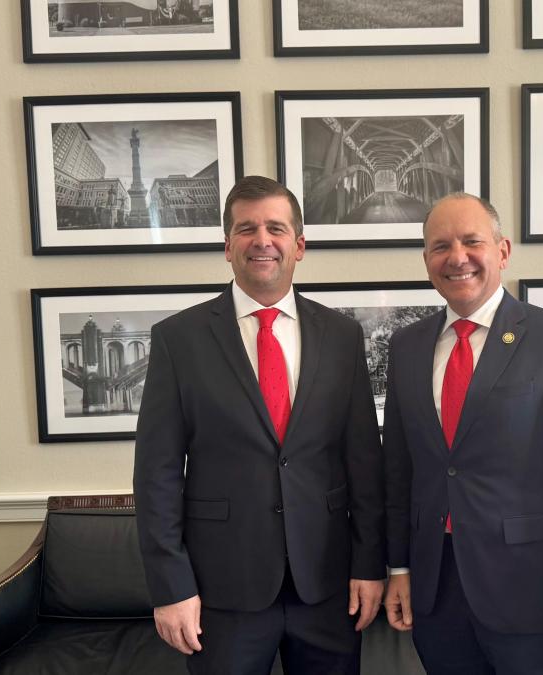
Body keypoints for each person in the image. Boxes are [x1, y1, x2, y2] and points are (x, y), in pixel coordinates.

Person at [134, 176, 385, 675]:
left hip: (327, 587)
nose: (262, 240)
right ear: (228, 246)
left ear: (300, 245)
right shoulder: (177, 340)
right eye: (246, 229)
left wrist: (369, 566)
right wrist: (171, 587)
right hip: (220, 591)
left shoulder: (342, 336)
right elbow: (157, 474)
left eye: (276, 227)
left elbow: (364, 462)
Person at [382, 193, 543, 675]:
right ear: (427, 260)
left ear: (503, 251)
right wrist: (399, 568)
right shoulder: (406, 347)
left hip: (528, 592)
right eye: (440, 246)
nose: (457, 257)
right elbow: (399, 471)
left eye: (472, 242)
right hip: (435, 590)